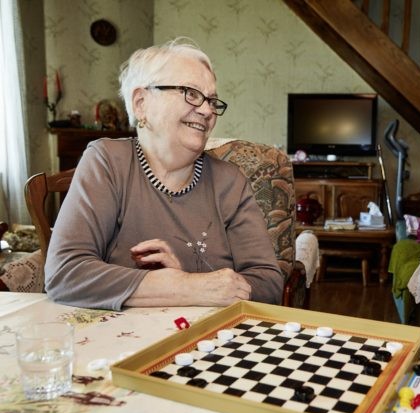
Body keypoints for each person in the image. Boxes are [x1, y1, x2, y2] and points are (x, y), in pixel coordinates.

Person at [45, 38, 284, 310]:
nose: (207, 110)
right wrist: (185, 287)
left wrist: (185, 280)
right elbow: (66, 272)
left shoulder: (230, 182)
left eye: (212, 100)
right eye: (191, 93)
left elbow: (268, 284)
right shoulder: (108, 162)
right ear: (141, 103)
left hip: (211, 341)